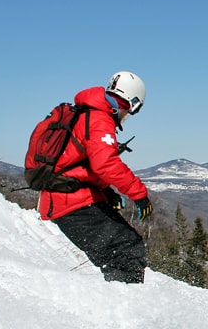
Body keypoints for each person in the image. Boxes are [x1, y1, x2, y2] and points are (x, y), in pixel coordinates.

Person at [37, 71, 153, 283]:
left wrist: (105, 192)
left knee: (123, 247)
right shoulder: (99, 119)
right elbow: (106, 164)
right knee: (125, 249)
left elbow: (80, 164)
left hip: (68, 197)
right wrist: (139, 194)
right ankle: (124, 306)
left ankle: (120, 298)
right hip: (69, 202)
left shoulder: (89, 114)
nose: (127, 116)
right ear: (133, 102)